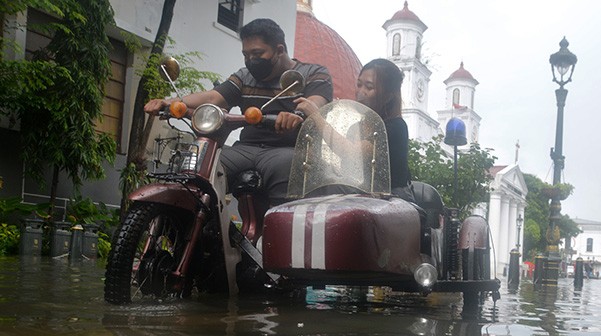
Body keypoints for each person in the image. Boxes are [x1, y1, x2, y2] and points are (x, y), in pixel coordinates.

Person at [144, 18, 333, 206]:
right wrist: (170, 102)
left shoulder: (312, 74)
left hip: (288, 149)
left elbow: (315, 103)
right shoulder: (244, 76)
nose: (251, 60)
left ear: (279, 50)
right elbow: (213, 97)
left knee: (285, 168)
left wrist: (298, 116)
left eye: (257, 53)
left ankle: (280, 222)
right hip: (245, 148)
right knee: (202, 168)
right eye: (246, 54)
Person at [295, 58, 413, 201]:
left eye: (369, 87)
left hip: (392, 199)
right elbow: (349, 171)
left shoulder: (395, 127)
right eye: (359, 84)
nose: (360, 92)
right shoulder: (355, 127)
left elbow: (351, 153)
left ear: (388, 96)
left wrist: (316, 116)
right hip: (363, 195)